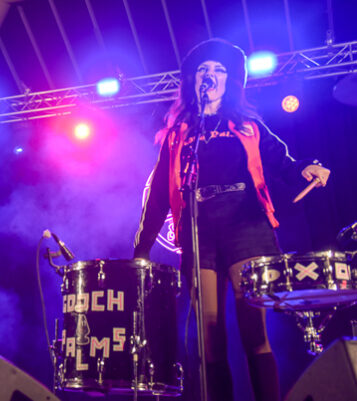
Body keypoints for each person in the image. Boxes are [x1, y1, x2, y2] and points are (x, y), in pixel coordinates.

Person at [133, 39, 330, 401]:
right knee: (209, 337)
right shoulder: (178, 135)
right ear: (192, 80)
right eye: (203, 69)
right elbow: (159, 195)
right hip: (199, 231)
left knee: (254, 330)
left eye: (219, 70)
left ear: (230, 80)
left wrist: (308, 167)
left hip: (246, 225)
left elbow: (282, 162)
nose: (210, 75)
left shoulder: (248, 126)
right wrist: (142, 249)